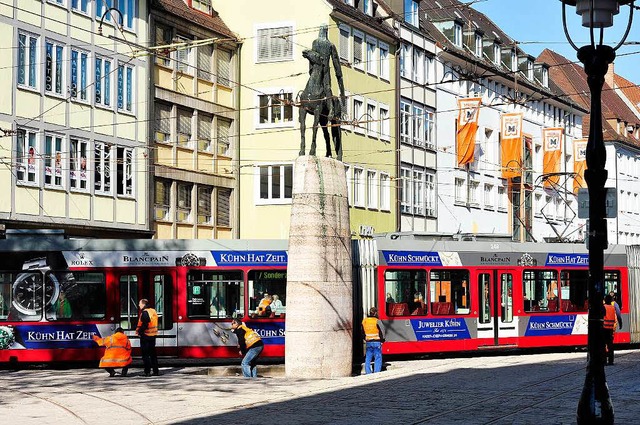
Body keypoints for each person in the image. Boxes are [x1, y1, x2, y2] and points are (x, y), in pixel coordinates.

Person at [136, 298, 160, 377]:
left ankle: (147, 371)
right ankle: (156, 371)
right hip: (153, 335)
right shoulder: (153, 311)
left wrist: (139, 332)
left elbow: (145, 324)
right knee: (153, 354)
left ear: (143, 304)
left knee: (145, 355)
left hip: (145, 336)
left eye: (140, 303)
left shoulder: (145, 312)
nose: (139, 305)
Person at [361, 306, 385, 374]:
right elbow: (382, 331)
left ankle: (368, 372)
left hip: (368, 342)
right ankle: (377, 372)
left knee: (368, 358)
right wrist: (382, 340)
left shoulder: (364, 321)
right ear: (375, 313)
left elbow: (362, 331)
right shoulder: (377, 321)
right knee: (377, 357)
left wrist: (365, 338)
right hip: (377, 342)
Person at [603, 294, 617, 365]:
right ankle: (611, 361)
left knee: (603, 345)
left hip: (604, 328)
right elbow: (615, 318)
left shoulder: (603, 307)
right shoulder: (612, 308)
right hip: (610, 329)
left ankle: (604, 361)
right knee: (610, 345)